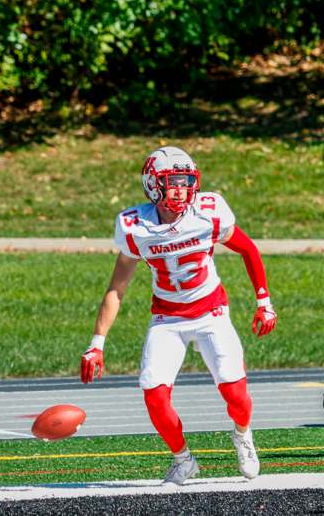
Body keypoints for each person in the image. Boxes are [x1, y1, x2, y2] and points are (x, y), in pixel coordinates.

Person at [79, 146, 277, 485]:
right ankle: (183, 459)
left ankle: (243, 435)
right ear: (153, 186)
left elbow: (248, 248)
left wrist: (264, 301)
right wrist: (97, 343)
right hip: (167, 318)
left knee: (235, 393)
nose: (181, 190)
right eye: (172, 183)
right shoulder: (134, 226)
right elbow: (116, 289)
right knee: (154, 393)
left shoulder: (209, 211)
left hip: (211, 311)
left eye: (186, 182)